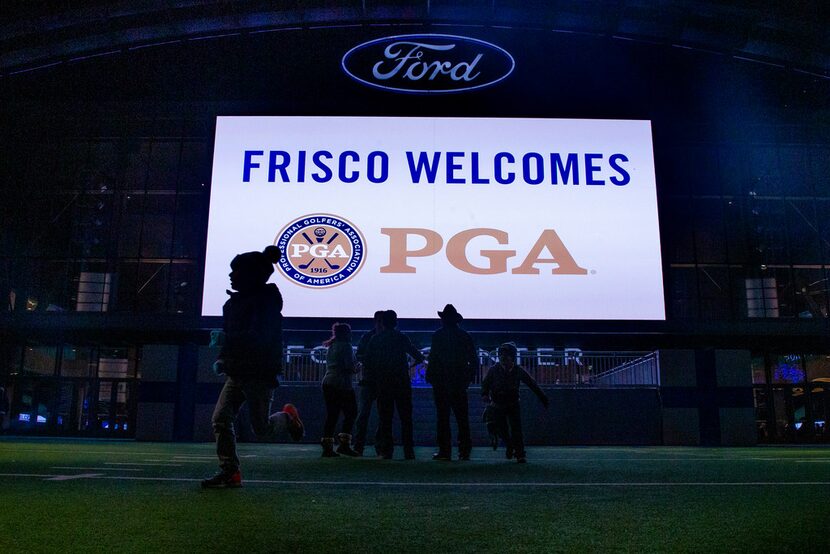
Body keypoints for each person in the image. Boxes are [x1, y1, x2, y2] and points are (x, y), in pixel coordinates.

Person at [202, 245, 289, 489]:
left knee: (261, 429)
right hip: (237, 371)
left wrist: (226, 342)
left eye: (237, 270)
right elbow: (230, 336)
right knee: (220, 419)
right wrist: (222, 357)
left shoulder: (266, 303)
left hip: (259, 372)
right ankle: (230, 471)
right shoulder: (232, 304)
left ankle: (286, 417)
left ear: (252, 274)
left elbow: (259, 337)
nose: (231, 275)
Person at [364, 310, 425, 460]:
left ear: (382, 322)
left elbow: (368, 363)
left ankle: (386, 450)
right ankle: (408, 451)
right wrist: (409, 366)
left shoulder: (375, 339)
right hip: (401, 382)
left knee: (385, 418)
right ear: (396, 322)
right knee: (406, 418)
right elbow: (418, 356)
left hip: (383, 383)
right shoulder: (401, 337)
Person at [480, 342, 549, 464]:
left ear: (512, 357)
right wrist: (485, 394)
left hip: (513, 403)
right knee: (502, 430)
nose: (503, 358)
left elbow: (532, 384)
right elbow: (485, 384)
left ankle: (520, 454)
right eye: (501, 356)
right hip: (498, 404)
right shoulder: (493, 370)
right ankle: (510, 445)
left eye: (506, 356)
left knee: (516, 429)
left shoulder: (518, 371)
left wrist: (543, 397)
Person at [426, 304, 478, 461]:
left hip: (441, 383)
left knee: (443, 418)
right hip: (458, 383)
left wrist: (431, 377)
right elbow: (473, 360)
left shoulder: (438, 336)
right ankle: (464, 450)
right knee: (462, 418)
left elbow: (433, 358)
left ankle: (444, 450)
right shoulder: (465, 336)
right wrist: (468, 379)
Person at [320, 322, 359, 457]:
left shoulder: (332, 346)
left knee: (332, 415)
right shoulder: (346, 346)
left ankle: (327, 447)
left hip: (328, 382)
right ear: (346, 333)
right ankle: (344, 444)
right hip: (342, 384)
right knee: (351, 412)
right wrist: (358, 366)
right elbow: (349, 367)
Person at [352, 310, 384, 456]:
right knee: (382, 415)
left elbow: (359, 355)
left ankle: (359, 445)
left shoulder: (367, 336)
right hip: (381, 380)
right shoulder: (389, 337)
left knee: (364, 414)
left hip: (369, 380)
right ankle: (379, 446)